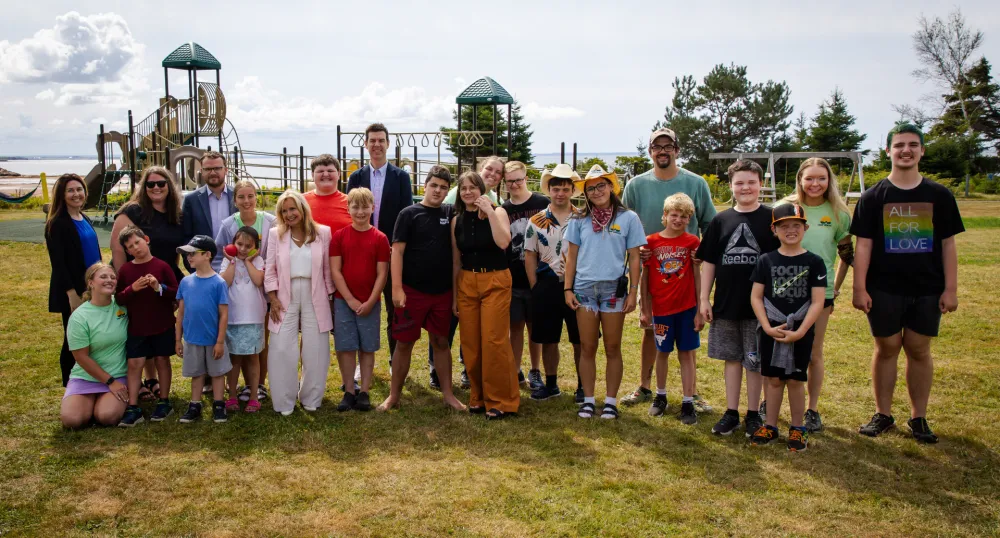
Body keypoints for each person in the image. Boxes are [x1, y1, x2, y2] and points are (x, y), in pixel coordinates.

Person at [852, 123, 963, 444]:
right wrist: (859, 288)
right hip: (883, 287)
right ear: (888, 151)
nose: (906, 150)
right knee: (886, 348)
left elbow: (948, 246)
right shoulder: (874, 197)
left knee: (918, 348)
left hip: (928, 288)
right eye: (899, 145)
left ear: (922, 151)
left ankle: (918, 417)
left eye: (913, 145)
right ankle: (883, 414)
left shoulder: (939, 196)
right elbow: (863, 246)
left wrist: (950, 288)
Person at [621, 127, 716, 411]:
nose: (662, 151)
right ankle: (646, 387)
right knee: (650, 327)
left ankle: (693, 393)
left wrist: (705, 252)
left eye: (668, 146)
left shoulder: (696, 183)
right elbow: (624, 225)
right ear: (649, 151)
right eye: (656, 146)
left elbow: (710, 222)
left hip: (686, 273)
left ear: (676, 149)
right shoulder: (636, 186)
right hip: (650, 269)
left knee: (689, 329)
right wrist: (635, 253)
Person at [764, 158, 853, 432]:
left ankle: (812, 409)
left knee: (813, 353)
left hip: (818, 294)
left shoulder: (839, 213)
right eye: (810, 178)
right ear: (800, 180)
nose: (816, 184)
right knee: (774, 349)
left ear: (829, 181)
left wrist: (834, 288)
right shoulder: (786, 207)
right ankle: (767, 403)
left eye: (822, 178)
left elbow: (846, 254)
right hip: (781, 293)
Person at [697, 159, 780, 437]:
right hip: (727, 303)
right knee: (731, 359)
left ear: (761, 185)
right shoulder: (721, 220)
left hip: (761, 307)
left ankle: (753, 413)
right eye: (740, 183)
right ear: (731, 186)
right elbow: (708, 262)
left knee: (754, 360)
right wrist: (704, 299)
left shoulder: (772, 219)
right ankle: (731, 412)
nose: (746, 187)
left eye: (751, 182)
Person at [378, 166, 465, 412]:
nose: (438, 190)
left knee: (441, 342)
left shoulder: (451, 213)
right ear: (424, 185)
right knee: (404, 343)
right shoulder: (408, 214)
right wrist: (396, 288)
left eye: (444, 187)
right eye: (434, 185)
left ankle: (448, 394)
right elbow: (397, 253)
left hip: (442, 292)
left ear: (448, 191)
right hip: (412, 290)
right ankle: (394, 395)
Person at [564, 165, 645, 420]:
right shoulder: (578, 220)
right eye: (591, 188)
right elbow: (571, 257)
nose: (597, 191)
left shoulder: (628, 218)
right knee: (587, 346)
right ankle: (588, 400)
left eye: (601, 185)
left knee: (612, 346)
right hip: (585, 289)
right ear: (586, 193)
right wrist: (568, 288)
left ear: (611, 186)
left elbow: (634, 257)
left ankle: (610, 401)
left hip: (614, 289)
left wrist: (633, 291)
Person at [749, 204, 827, 451]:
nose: (791, 230)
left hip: (800, 330)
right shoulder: (766, 260)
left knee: (795, 380)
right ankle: (770, 426)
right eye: (784, 226)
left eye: (796, 225)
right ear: (774, 229)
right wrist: (766, 326)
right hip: (772, 328)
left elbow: (817, 301)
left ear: (806, 228)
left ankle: (797, 428)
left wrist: (801, 331)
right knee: (772, 379)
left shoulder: (814, 262)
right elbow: (756, 297)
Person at [452, 171, 518, 420]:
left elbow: (503, 242)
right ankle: (478, 396)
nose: (468, 192)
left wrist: (490, 212)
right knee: (470, 342)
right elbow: (456, 261)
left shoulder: (498, 212)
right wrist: (454, 297)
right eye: (464, 188)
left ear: (482, 190)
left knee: (494, 340)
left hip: (496, 280)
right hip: (467, 281)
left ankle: (502, 400)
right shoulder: (456, 220)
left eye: (473, 187)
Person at [264, 190, 335, 415]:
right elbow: (270, 269)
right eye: (284, 211)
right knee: (281, 347)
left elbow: (327, 270)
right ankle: (284, 401)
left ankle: (311, 397)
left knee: (316, 348)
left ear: (303, 208)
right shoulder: (276, 234)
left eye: (292, 209)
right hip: (285, 295)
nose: (289, 214)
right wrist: (272, 298)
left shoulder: (323, 233)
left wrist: (331, 300)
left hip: (317, 293)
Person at [347, 124, 414, 359]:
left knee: (395, 309)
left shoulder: (401, 177)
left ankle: (395, 361)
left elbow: (406, 216)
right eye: (372, 140)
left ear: (388, 144)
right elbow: (351, 214)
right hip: (361, 254)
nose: (376, 144)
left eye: (381, 140)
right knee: (361, 308)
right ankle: (359, 361)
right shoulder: (356, 177)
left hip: (391, 253)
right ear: (365, 144)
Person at [639, 193, 704, 425]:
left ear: (689, 220)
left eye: (684, 216)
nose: (678, 220)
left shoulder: (692, 242)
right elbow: (644, 277)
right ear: (664, 216)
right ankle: (661, 395)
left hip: (687, 307)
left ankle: (688, 400)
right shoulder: (651, 242)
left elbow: (697, 275)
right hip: (661, 308)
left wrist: (699, 308)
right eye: (674, 215)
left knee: (686, 353)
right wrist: (645, 309)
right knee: (662, 352)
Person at [524, 165, 584, 403]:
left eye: (565, 189)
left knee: (580, 339)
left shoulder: (582, 218)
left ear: (572, 190)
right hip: (546, 284)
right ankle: (551, 384)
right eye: (556, 188)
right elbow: (529, 254)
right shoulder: (536, 220)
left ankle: (582, 385)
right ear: (549, 190)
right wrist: (534, 285)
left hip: (577, 285)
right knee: (549, 338)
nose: (561, 193)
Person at [215, 180, 276, 404]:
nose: (246, 201)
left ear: (256, 197)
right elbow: (219, 257)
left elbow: (271, 260)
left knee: (259, 346)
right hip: (234, 303)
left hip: (261, 291)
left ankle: (258, 387)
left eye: (250, 196)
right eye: (241, 197)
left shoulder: (270, 221)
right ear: (235, 200)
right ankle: (238, 389)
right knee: (236, 352)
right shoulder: (228, 224)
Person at [330, 187, 390, 412]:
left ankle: (364, 391)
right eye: (355, 206)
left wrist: (371, 301)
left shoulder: (380, 238)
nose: (361, 211)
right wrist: (350, 300)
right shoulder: (340, 237)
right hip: (344, 302)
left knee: (367, 347)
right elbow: (336, 271)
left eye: (365, 206)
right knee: (346, 347)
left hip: (370, 303)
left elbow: (382, 273)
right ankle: (349, 390)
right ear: (348, 209)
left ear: (373, 208)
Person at [115, 225, 179, 426]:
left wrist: (158, 287)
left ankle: (164, 401)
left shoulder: (162, 266)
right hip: (137, 327)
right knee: (135, 364)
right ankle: (133, 406)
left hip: (162, 324)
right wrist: (132, 289)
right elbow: (119, 298)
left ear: (147, 240)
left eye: (138, 242)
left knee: (162, 360)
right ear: (127, 251)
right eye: (131, 246)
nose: (136, 248)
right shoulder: (126, 270)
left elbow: (176, 293)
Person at [46, 173, 102, 386]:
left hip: (92, 287)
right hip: (74, 291)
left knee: (92, 337)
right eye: (70, 190)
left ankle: (90, 378)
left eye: (79, 189)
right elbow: (58, 264)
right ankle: (70, 384)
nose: (76, 194)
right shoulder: (57, 223)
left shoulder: (83, 217)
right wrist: (72, 294)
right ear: (61, 194)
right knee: (74, 339)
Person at [60, 263, 128, 429]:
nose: (109, 280)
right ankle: (88, 401)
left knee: (107, 417)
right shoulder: (79, 317)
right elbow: (81, 357)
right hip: (86, 376)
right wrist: (109, 381)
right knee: (72, 421)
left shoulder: (123, 305)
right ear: (91, 283)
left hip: (118, 374)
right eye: (103, 277)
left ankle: (102, 404)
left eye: (113, 277)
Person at [500, 160, 548, 390]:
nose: (515, 185)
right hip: (513, 277)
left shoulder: (542, 203)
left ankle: (535, 370)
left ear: (526, 178)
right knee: (515, 327)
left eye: (519, 180)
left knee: (534, 327)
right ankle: (515, 368)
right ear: (505, 183)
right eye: (510, 181)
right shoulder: (503, 209)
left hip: (539, 277)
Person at [175, 235, 232, 424]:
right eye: (187, 255)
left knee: (217, 373)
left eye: (193, 254)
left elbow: (223, 314)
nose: (189, 258)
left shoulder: (218, 283)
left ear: (207, 255)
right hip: (192, 339)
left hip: (213, 339)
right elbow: (181, 314)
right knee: (197, 373)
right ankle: (195, 404)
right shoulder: (186, 282)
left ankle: (218, 404)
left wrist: (220, 341)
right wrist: (178, 339)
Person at [111, 166, 186, 282]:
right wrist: (123, 281)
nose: (156, 187)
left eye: (161, 184)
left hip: (167, 277)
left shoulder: (177, 215)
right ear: (144, 188)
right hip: (139, 278)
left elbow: (174, 253)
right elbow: (117, 249)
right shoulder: (132, 212)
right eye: (150, 184)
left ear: (169, 186)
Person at [220, 226, 266, 414]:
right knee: (234, 358)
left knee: (253, 357)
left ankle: (254, 396)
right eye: (239, 244)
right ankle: (231, 395)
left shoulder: (259, 260)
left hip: (253, 317)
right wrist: (232, 261)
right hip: (232, 318)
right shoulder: (227, 261)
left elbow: (258, 280)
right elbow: (225, 282)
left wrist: (248, 262)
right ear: (233, 243)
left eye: (249, 245)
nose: (243, 249)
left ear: (256, 247)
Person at [181, 151, 236, 272]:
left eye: (217, 168)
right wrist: (194, 268)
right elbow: (186, 237)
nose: (212, 172)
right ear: (202, 171)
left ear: (225, 170)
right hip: (204, 267)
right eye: (208, 169)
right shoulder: (191, 200)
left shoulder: (238, 196)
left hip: (235, 265)